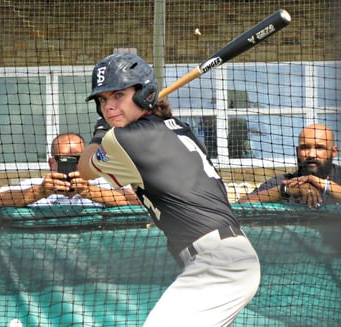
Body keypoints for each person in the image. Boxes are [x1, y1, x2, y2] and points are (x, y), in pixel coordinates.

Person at [78, 53, 260, 326]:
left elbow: (84, 169)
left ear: (145, 94)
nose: (109, 106)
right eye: (103, 100)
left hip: (217, 264)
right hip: (226, 257)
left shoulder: (122, 139)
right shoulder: (178, 127)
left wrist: (100, 132)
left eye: (118, 95)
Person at [0, 132, 140, 207]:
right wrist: (40, 192)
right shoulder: (39, 185)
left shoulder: (103, 184)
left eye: (77, 159)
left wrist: (90, 192)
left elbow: (139, 200)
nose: (72, 165)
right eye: (64, 160)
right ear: (51, 163)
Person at [238, 123, 341, 207]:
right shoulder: (286, 181)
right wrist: (285, 190)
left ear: (334, 152)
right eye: (305, 148)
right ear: (297, 151)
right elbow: (240, 204)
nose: (311, 154)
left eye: (319, 148)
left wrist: (325, 185)